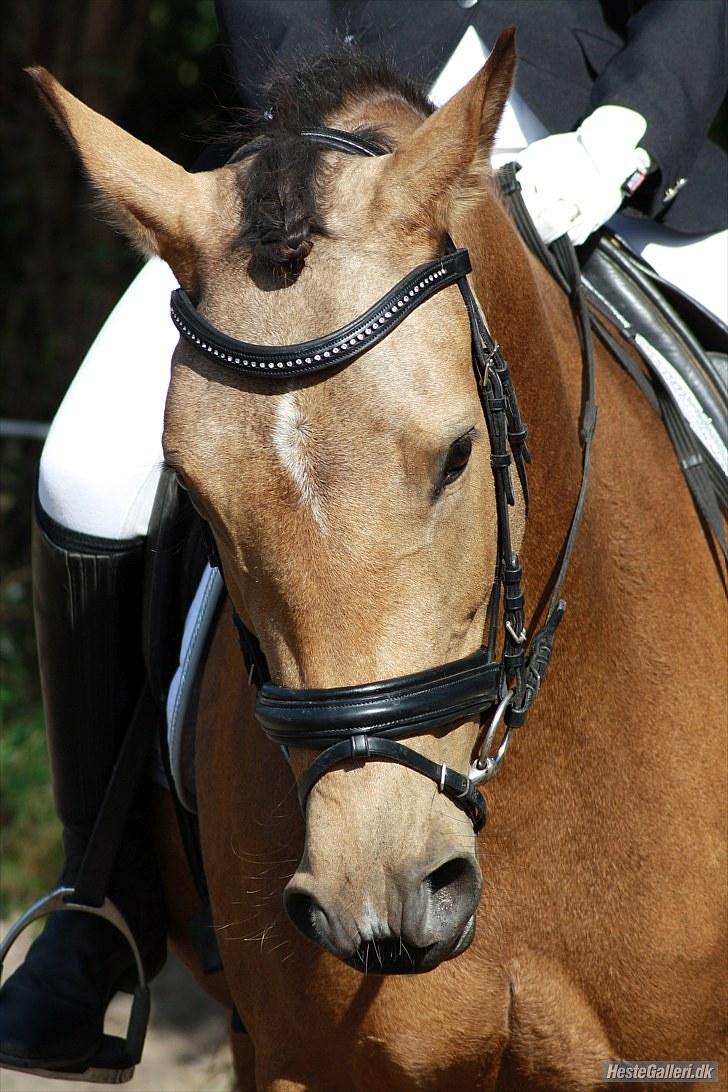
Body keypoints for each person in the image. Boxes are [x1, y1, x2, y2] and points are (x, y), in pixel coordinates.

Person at [2, 0, 726, 1080]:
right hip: (315, 183)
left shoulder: (612, 143)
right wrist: (338, 137)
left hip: (607, 160)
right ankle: (104, 903)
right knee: (88, 465)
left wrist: (625, 129)